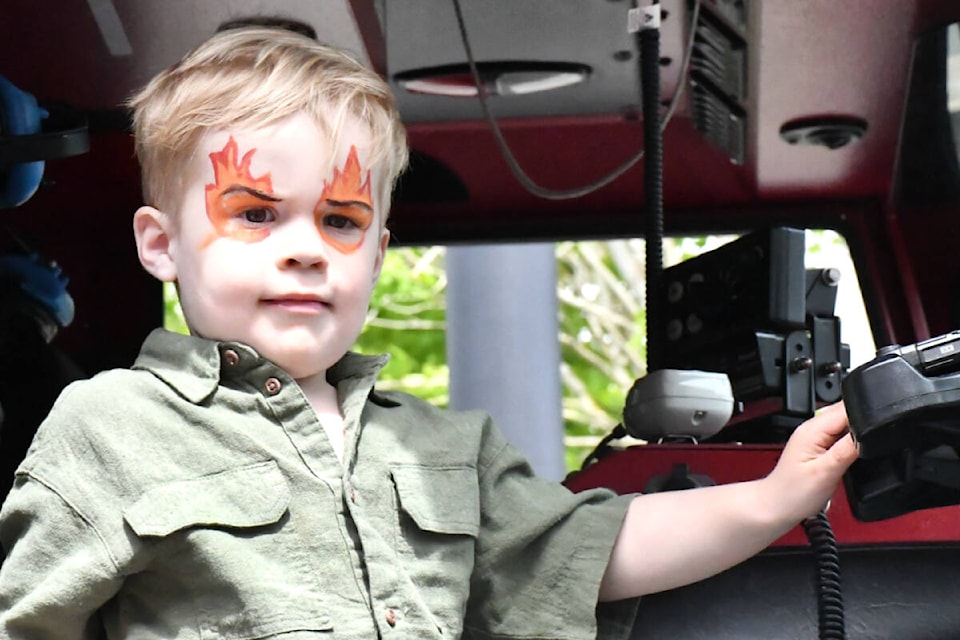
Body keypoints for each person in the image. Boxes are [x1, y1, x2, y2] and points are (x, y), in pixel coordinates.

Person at [0, 25, 858, 639]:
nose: (306, 252)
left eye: (340, 221)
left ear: (377, 254)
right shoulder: (107, 428)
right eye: (256, 214)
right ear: (161, 244)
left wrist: (775, 495)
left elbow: (594, 547)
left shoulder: (448, 449)